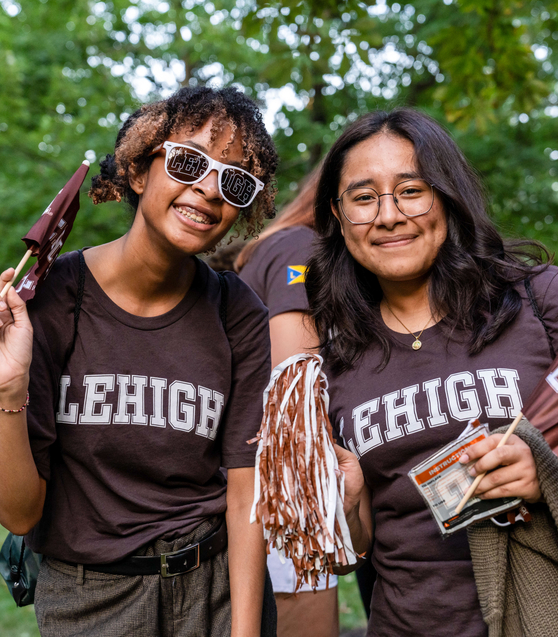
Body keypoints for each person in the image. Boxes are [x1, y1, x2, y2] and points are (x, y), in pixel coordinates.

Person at [303, 109, 558, 636]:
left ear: (448, 196)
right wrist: (348, 503)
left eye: (411, 190)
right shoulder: (334, 357)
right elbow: (352, 554)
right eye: (364, 198)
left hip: (555, 618)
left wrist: (550, 470)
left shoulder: (543, 298)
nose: (388, 215)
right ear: (338, 218)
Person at [0, 86, 279, 637]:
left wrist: (246, 631)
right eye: (188, 162)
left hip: (215, 592)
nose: (208, 190)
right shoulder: (52, 300)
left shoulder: (238, 310)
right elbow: (18, 515)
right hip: (90, 599)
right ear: (138, 170)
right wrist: (10, 391)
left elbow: (245, 488)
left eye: (234, 181)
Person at [236, 169, 340, 637]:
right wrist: (306, 507)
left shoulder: (277, 245)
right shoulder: (302, 249)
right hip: (286, 482)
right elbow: (294, 388)